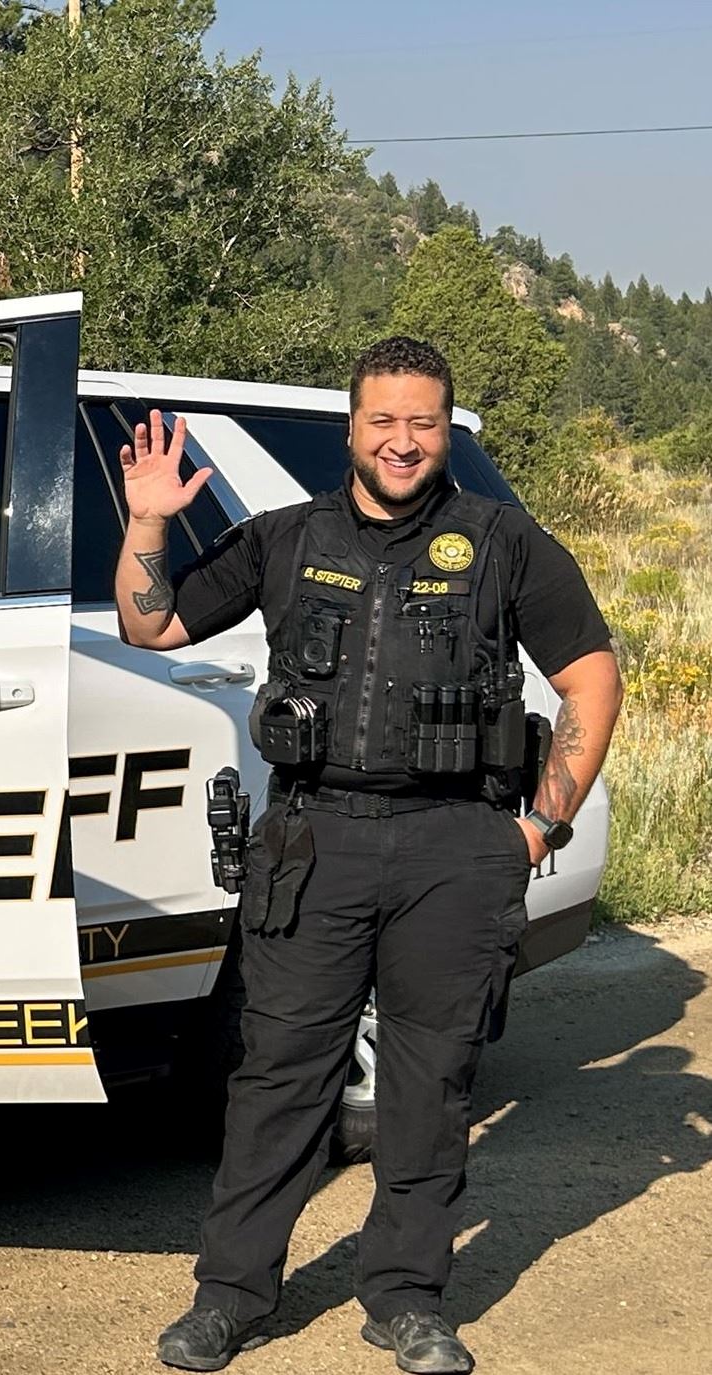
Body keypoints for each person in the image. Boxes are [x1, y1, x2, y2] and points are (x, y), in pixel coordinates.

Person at [116, 337, 624, 1374]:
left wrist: (538, 825)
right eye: (383, 421)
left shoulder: (502, 542)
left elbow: (589, 677)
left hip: (455, 847)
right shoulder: (282, 540)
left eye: (423, 423)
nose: (402, 441)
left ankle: (405, 1297)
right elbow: (150, 625)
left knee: (429, 1082)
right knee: (277, 1079)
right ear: (350, 427)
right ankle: (231, 1295)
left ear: (444, 430)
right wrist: (147, 521)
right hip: (316, 840)